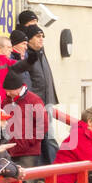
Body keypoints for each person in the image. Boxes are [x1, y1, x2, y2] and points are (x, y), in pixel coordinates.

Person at [0, 69, 47, 183]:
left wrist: (24, 143)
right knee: (6, 182)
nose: (7, 93)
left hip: (28, 151)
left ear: (20, 87)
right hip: (9, 150)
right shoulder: (6, 101)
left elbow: (42, 127)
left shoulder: (34, 101)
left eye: (10, 90)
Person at [21, 26, 59, 162]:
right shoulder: (27, 57)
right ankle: (52, 168)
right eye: (38, 36)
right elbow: (28, 82)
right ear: (29, 40)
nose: (41, 39)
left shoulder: (41, 53)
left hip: (45, 102)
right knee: (44, 138)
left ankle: (53, 168)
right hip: (35, 104)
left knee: (48, 137)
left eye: (42, 36)